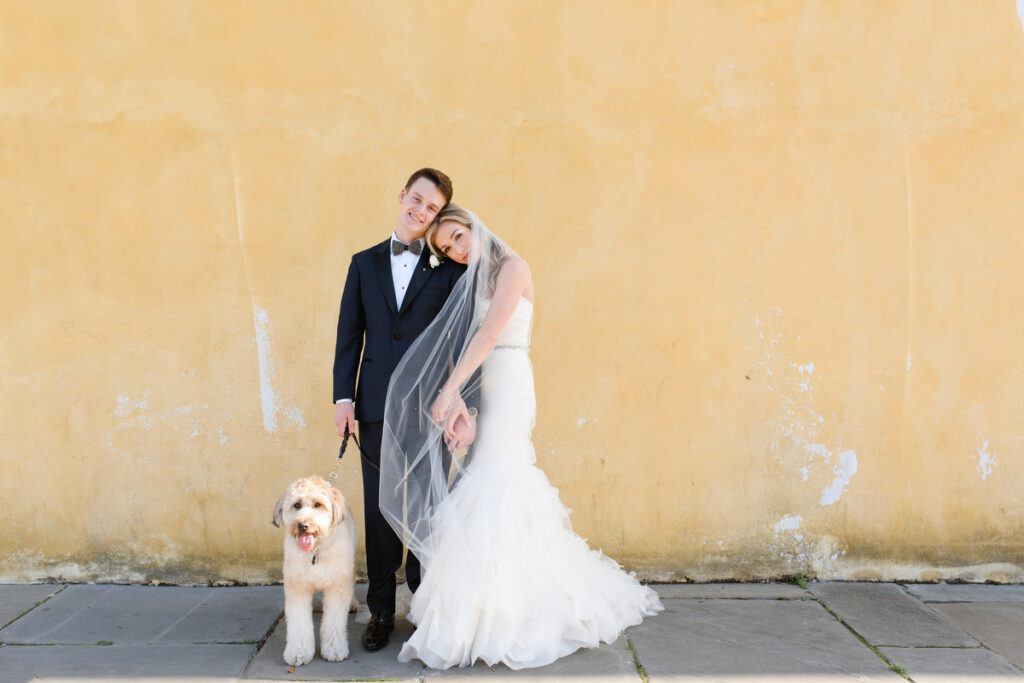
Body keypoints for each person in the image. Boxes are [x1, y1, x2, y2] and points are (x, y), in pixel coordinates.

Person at [379, 204, 663, 670]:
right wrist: (463, 410)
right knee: (481, 482)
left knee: (500, 481)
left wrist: (446, 394)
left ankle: (508, 610)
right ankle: (479, 605)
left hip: (509, 380)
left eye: (456, 237)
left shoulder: (514, 267)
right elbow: (463, 346)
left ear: (472, 225)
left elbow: (490, 335)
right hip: (481, 387)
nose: (457, 249)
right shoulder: (471, 281)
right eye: (448, 248)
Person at [332, 169, 477, 652]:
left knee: (426, 508)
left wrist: (462, 406)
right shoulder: (363, 264)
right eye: (417, 200)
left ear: (440, 215)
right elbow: (349, 336)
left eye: (432, 208)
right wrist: (343, 399)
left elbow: (464, 341)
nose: (421, 211)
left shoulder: (450, 270)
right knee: (379, 511)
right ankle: (379, 612)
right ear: (402, 197)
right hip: (372, 407)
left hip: (429, 408)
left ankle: (425, 603)